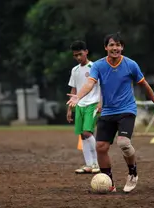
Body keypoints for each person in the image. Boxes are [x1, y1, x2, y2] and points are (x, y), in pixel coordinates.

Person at [66, 32, 154, 193]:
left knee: (124, 143)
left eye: (118, 45)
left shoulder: (131, 64)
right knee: (101, 146)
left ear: (122, 47)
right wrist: (78, 96)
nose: (115, 48)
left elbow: (144, 85)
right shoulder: (98, 66)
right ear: (106, 47)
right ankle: (109, 182)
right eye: (111, 45)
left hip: (126, 110)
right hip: (107, 111)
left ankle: (132, 173)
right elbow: (90, 84)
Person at [67, 40, 100, 174]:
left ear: (86, 52)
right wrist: (69, 108)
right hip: (79, 105)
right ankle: (89, 164)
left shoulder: (94, 67)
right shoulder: (74, 70)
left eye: (80, 54)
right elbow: (73, 89)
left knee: (88, 132)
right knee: (82, 135)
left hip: (92, 104)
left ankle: (97, 163)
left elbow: (102, 86)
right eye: (75, 55)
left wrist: (101, 103)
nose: (78, 58)